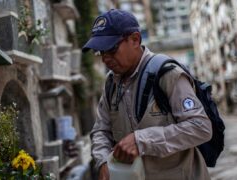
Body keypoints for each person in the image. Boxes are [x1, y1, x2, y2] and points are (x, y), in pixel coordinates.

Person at [82, 9, 212, 180]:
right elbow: (101, 130)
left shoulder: (167, 74)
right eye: (101, 52)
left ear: (135, 39)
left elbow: (200, 127)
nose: (105, 59)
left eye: (111, 50)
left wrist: (141, 140)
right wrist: (102, 161)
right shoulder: (111, 83)